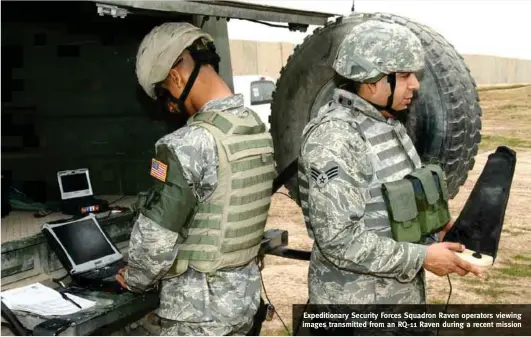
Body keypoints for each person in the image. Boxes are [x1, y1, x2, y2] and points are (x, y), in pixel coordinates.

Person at [296, 20, 483, 333]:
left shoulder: (386, 125)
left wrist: (432, 232)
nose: (415, 85)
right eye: (405, 75)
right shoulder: (336, 138)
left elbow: (389, 204)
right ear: (372, 82)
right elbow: (338, 241)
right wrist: (422, 258)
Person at [116, 22, 275, 336]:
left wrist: (134, 277)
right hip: (241, 303)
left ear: (175, 76)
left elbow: (156, 243)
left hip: (197, 315)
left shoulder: (187, 143)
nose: (169, 106)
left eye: (164, 94)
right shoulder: (255, 128)